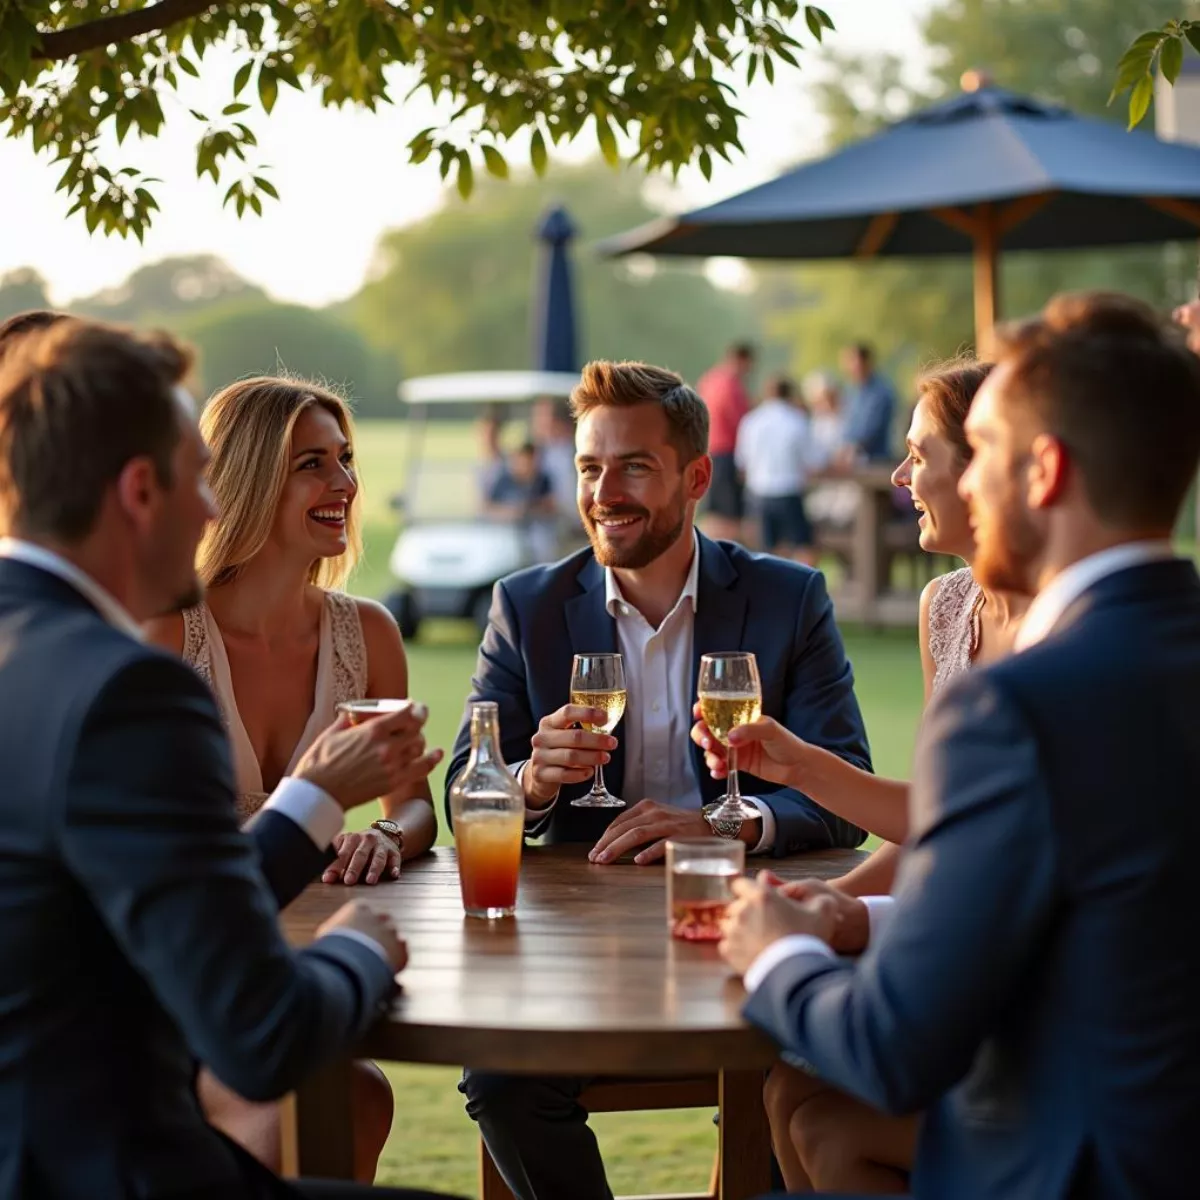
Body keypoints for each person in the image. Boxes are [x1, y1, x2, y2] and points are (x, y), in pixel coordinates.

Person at [718, 291, 1200, 1200]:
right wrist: (855, 915)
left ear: (1043, 473)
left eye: (987, 456)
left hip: (1075, 1162)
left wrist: (776, 949)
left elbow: (892, 1047)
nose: (966, 484)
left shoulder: (1022, 707)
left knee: (819, 1106)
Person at [0, 319, 456, 1200]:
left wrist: (313, 801)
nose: (210, 511)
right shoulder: (129, 689)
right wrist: (359, 950)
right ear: (141, 492)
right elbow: (263, 1032)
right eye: (195, 481)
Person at [447, 358, 871, 1200]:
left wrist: (725, 826)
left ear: (697, 477)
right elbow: (469, 779)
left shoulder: (787, 598)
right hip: (574, 950)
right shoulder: (526, 605)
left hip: (740, 933)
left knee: (811, 1066)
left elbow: (846, 787)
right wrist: (530, 780)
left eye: (634, 467)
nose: (605, 492)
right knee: (500, 1076)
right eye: (589, 468)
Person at [697, 359, 1026, 1193]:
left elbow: (965, 827)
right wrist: (836, 899)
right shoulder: (947, 607)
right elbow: (933, 823)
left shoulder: (1069, 631)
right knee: (789, 1091)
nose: (899, 474)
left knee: (830, 1128)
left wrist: (807, 779)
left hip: (1014, 991)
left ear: (985, 462)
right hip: (950, 950)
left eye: (920, 454)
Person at [144, 375, 439, 1180]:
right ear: (247, 479)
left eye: (344, 460)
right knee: (334, 1095)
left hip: (312, 945)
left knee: (358, 1096)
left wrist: (384, 834)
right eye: (313, 463)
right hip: (195, 968)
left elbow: (417, 807)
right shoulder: (168, 631)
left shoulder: (368, 632)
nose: (344, 484)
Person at [735, 375, 816, 565]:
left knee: (765, 551)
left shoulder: (751, 421)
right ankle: (805, 590)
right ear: (789, 394)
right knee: (803, 546)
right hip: (789, 490)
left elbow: (742, 461)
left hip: (759, 492)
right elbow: (812, 459)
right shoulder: (797, 420)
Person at [696, 341, 755, 540]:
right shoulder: (732, 385)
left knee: (713, 510)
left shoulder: (709, 379)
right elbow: (741, 422)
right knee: (729, 516)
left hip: (708, 448)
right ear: (742, 360)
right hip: (727, 452)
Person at [837, 343, 897, 465]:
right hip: (853, 459)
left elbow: (871, 428)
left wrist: (853, 447)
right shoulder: (852, 390)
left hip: (875, 459)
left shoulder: (880, 391)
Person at [531, 397, 579, 517]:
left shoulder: (576, 448)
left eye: (543, 417)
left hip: (576, 521)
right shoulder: (536, 453)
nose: (538, 423)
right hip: (548, 522)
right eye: (537, 418)